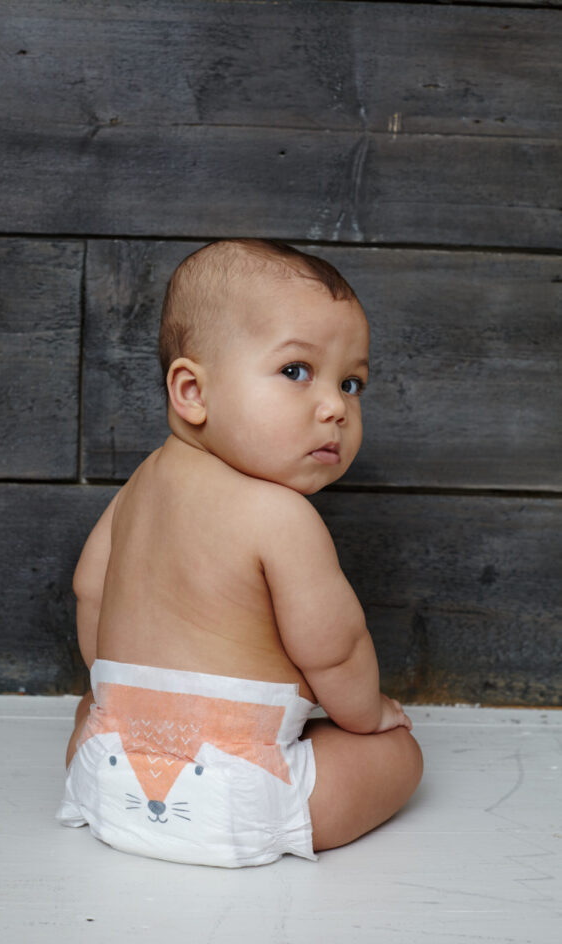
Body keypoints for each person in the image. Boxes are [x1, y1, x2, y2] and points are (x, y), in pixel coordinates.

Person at [57, 239, 423, 867]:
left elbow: (89, 589)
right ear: (192, 391)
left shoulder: (139, 487)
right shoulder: (282, 515)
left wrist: (126, 702)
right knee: (399, 756)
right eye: (296, 371)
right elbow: (334, 648)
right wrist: (367, 715)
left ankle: (110, 768)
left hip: (108, 765)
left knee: (92, 705)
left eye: (351, 382)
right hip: (237, 789)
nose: (336, 407)